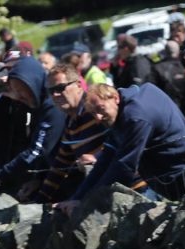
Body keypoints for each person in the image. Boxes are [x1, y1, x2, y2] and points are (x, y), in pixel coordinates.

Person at [58, 83, 185, 210]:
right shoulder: (121, 110)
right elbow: (106, 158)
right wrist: (77, 197)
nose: (97, 118)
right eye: (93, 113)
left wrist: (85, 203)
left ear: (115, 98)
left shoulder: (135, 116)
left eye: (100, 109)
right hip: (172, 173)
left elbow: (125, 165)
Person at [35, 63, 146, 202]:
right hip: (108, 193)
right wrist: (38, 201)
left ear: (79, 85)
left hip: (135, 189)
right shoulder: (71, 122)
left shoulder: (97, 109)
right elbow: (60, 166)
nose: (55, 95)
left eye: (60, 88)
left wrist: (98, 157)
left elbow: (128, 139)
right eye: (50, 91)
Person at [0, 56, 67, 200]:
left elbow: (39, 149)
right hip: (10, 174)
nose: (8, 78)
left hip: (32, 175)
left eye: (16, 70)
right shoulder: (5, 95)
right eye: (7, 71)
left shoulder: (43, 101)